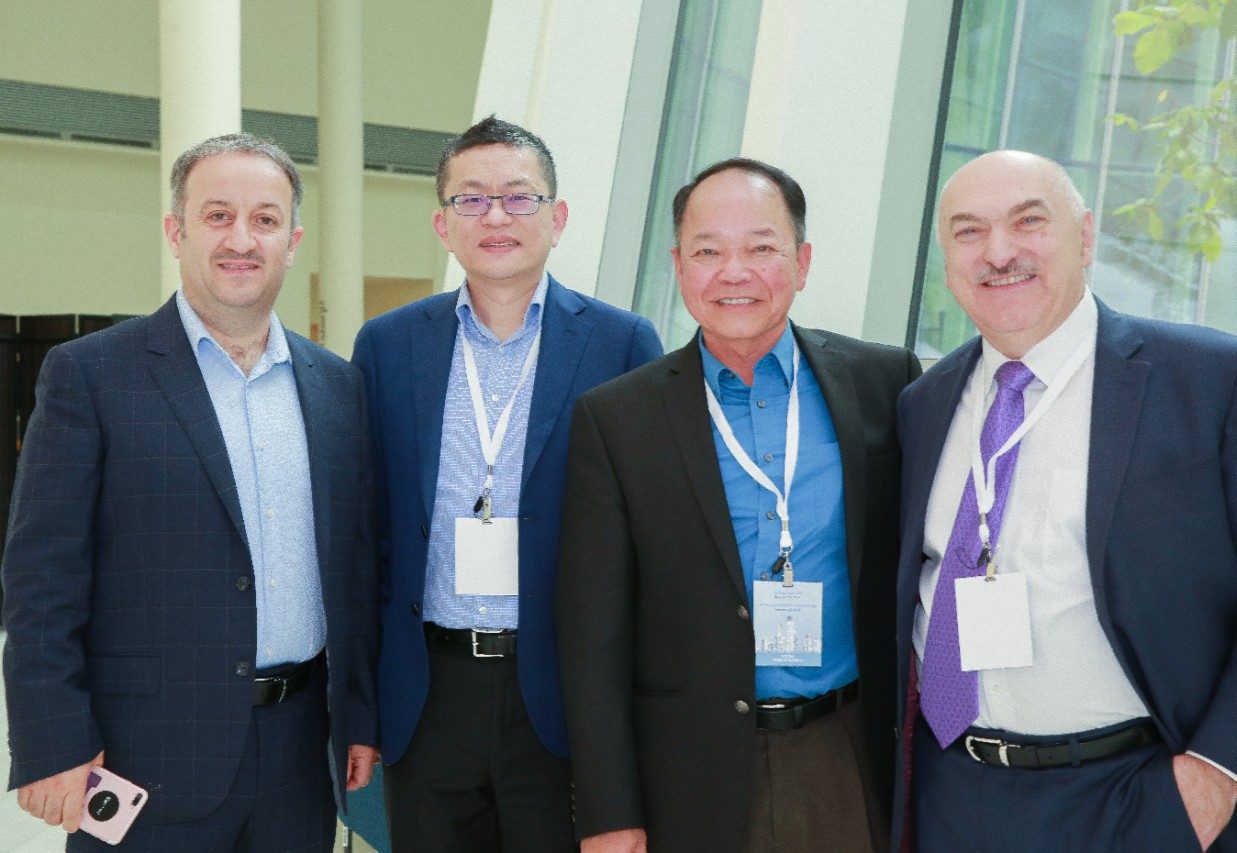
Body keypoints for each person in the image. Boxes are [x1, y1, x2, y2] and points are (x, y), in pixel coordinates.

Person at [894, 150, 1237, 851]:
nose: (999, 252)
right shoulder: (923, 403)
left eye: (1028, 221)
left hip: (1137, 793)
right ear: (947, 261)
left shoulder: (1216, 381)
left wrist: (1218, 775)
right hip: (951, 792)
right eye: (969, 231)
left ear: (1086, 237)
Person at [2, 132, 378, 851]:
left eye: (265, 219)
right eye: (217, 216)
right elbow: (41, 578)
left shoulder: (337, 386)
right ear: (176, 232)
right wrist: (53, 739)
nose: (242, 239)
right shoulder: (91, 375)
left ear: (293, 242)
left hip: (300, 755)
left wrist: (359, 714)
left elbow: (354, 568)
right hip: (142, 754)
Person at [555, 158, 921, 852]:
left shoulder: (884, 382)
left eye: (761, 248)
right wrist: (608, 811)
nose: (734, 272)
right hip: (687, 773)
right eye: (707, 252)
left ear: (802, 262)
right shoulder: (618, 419)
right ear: (678, 266)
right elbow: (591, 634)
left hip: (846, 751)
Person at [351, 115, 663, 851]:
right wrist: (361, 708)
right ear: (443, 223)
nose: (495, 217)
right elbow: (367, 534)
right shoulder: (387, 345)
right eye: (471, 199)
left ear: (558, 217)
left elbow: (649, 546)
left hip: (561, 693)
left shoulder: (622, 343)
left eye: (519, 197)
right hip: (427, 692)